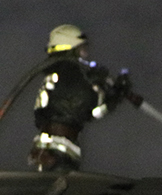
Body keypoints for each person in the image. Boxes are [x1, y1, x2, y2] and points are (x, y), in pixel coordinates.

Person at [29, 24, 135, 172]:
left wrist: (102, 87)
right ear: (71, 48)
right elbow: (91, 110)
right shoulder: (70, 74)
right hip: (58, 151)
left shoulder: (58, 74)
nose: (85, 55)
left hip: (52, 148)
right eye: (81, 49)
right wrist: (113, 92)